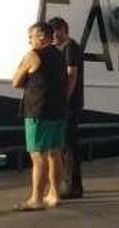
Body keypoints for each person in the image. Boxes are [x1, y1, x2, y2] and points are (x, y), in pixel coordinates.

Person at [12, 21, 67, 211]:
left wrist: (23, 64)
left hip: (38, 110)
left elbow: (16, 82)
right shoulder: (60, 55)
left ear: (42, 35)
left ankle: (36, 198)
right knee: (55, 152)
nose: (30, 41)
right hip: (57, 110)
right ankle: (54, 194)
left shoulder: (33, 55)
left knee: (38, 155)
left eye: (31, 37)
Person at [48, 16, 85, 200]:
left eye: (55, 32)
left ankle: (72, 186)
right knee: (64, 145)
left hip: (69, 105)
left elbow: (72, 75)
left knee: (68, 145)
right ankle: (67, 183)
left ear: (63, 29)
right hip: (67, 103)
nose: (53, 36)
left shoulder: (70, 47)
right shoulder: (60, 48)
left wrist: (64, 99)